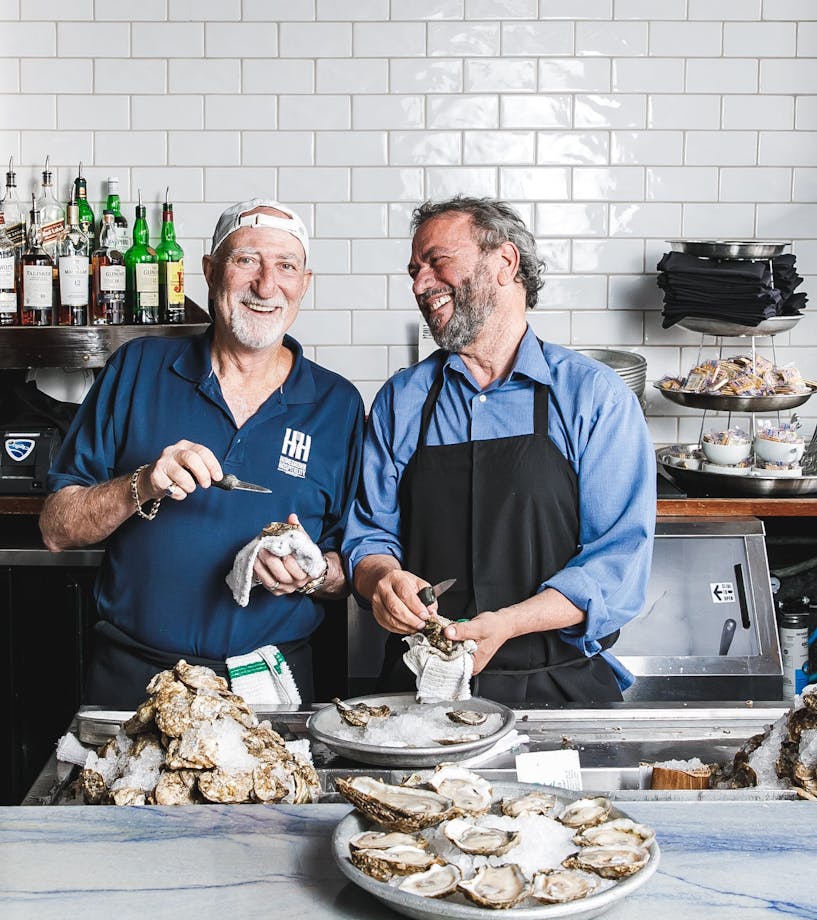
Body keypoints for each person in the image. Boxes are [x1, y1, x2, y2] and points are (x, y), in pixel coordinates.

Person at [40, 198, 364, 708]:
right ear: (210, 271)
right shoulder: (137, 369)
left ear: (304, 283)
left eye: (285, 266)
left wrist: (314, 572)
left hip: (268, 686)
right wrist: (143, 482)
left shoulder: (336, 404)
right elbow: (57, 528)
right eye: (246, 260)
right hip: (133, 677)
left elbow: (353, 568)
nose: (266, 285)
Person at [342, 196, 656, 705]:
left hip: (557, 685)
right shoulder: (402, 399)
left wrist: (508, 624)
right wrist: (383, 578)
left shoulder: (593, 396)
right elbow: (370, 534)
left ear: (505, 263)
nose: (420, 285)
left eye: (437, 262)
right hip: (422, 688)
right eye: (415, 271)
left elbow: (617, 563)